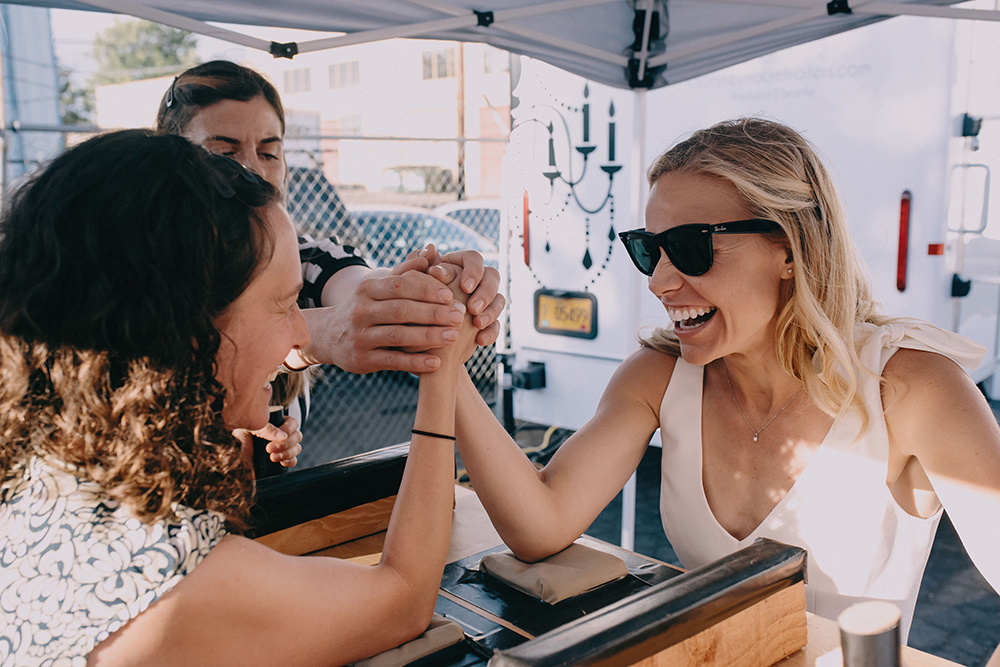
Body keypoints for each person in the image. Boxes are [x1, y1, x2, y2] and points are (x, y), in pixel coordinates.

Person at [447, 118, 1000, 651]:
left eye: (690, 246)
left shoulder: (909, 386)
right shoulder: (658, 376)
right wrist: (445, 359)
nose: (661, 281)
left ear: (790, 249)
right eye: (649, 249)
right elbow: (539, 525)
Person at [0, 130, 477, 666]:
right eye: (284, 304)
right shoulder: (179, 583)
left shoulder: (39, 475)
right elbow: (403, 602)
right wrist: (443, 366)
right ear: (184, 332)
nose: (302, 334)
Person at [153, 60, 504, 470]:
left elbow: (362, 285)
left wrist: (430, 287)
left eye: (269, 152)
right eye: (223, 152)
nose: (251, 170)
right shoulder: (146, 275)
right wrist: (314, 339)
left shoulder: (300, 258)